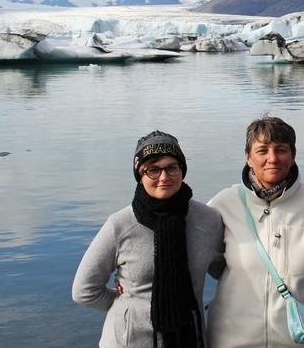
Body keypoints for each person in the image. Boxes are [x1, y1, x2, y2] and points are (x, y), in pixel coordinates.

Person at [73, 130, 224, 348]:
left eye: (172, 168)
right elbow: (84, 290)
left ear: (182, 170)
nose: (164, 177)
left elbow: (222, 270)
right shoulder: (121, 224)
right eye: (153, 170)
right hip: (130, 342)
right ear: (140, 175)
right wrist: (125, 306)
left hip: (190, 338)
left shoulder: (208, 220)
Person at [207, 115, 304, 348]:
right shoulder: (223, 204)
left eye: (281, 150)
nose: (272, 159)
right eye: (262, 150)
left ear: (293, 155)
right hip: (233, 340)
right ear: (248, 157)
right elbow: (208, 262)